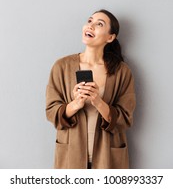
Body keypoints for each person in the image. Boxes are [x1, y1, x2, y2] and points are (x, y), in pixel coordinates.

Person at [46, 9, 136, 169]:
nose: (91, 26)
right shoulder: (62, 66)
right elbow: (51, 112)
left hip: (108, 156)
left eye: (99, 24)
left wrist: (98, 101)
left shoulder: (122, 71)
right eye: (89, 21)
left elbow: (125, 118)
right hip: (70, 154)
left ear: (110, 37)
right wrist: (76, 104)